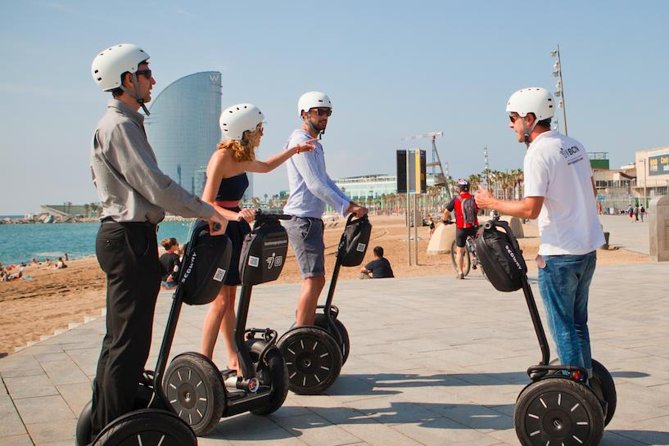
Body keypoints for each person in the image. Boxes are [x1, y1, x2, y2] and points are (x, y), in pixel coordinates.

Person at [88, 43, 229, 437]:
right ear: (127, 79)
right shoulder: (119, 126)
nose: (153, 80)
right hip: (128, 236)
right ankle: (113, 428)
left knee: (123, 339)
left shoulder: (125, 124)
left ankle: (109, 419)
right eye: (147, 72)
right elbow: (156, 186)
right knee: (128, 344)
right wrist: (208, 211)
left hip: (130, 235)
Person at [475, 87, 605, 379]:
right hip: (586, 250)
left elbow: (531, 209)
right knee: (578, 323)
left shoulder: (538, 153)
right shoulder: (574, 145)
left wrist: (490, 202)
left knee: (562, 327)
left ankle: (574, 388)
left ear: (529, 118)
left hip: (560, 254)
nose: (510, 125)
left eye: (513, 118)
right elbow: (591, 189)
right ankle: (586, 382)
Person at [199, 103, 315, 373]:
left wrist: (295, 150)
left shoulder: (241, 156)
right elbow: (205, 203)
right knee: (220, 302)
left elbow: (265, 166)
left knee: (230, 298)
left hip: (236, 226)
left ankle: (231, 356)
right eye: (259, 129)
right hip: (218, 229)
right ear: (245, 131)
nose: (262, 133)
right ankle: (202, 362)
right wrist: (234, 216)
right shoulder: (221, 158)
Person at [283, 91, 368, 326]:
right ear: (304, 114)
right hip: (301, 219)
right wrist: (346, 206)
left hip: (311, 218)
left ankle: (306, 327)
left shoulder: (314, 144)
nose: (324, 117)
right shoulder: (300, 142)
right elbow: (314, 184)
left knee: (316, 279)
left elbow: (326, 180)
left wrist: (350, 203)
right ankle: (301, 332)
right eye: (318, 112)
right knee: (313, 279)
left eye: (327, 113)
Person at [443, 179, 479, 279]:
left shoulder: (456, 199)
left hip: (461, 228)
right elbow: (478, 209)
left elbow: (446, 212)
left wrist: (445, 221)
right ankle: (478, 257)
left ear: (459, 188)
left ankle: (460, 272)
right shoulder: (473, 198)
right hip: (473, 226)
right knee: (478, 244)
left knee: (460, 250)